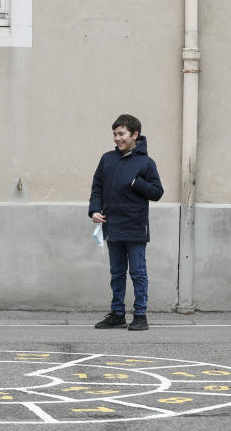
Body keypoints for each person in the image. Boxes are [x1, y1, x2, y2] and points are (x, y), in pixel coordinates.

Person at [89, 114, 163, 331]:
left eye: (121, 134)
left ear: (135, 134)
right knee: (117, 272)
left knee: (138, 272)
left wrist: (136, 182)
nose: (117, 138)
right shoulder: (107, 159)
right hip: (112, 225)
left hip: (136, 226)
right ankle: (117, 314)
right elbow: (97, 188)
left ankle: (140, 315)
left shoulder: (146, 163)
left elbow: (157, 192)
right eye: (114, 134)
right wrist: (94, 210)